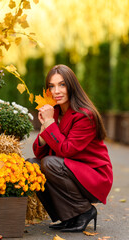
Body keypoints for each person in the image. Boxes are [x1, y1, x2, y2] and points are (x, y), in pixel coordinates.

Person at [28, 64, 113, 232]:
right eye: (51, 86)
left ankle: (85, 211)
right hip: (71, 171)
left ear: (71, 86)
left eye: (62, 84)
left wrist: (50, 123)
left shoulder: (84, 115)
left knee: (50, 163)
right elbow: (38, 152)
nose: (56, 91)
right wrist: (46, 126)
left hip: (93, 176)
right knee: (33, 165)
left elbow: (67, 150)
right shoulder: (55, 112)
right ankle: (68, 217)